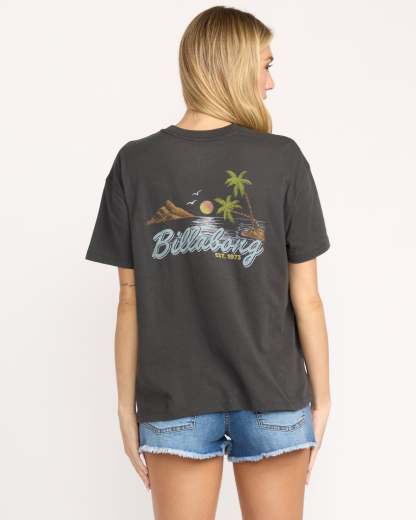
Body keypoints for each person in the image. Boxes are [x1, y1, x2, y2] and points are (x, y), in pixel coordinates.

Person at [85, 6, 331, 519]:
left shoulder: (135, 162)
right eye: (265, 65)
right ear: (234, 67)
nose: (271, 82)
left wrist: (126, 408)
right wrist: (323, 400)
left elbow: (128, 300)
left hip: (173, 400)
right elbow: (306, 297)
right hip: (273, 396)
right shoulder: (283, 159)